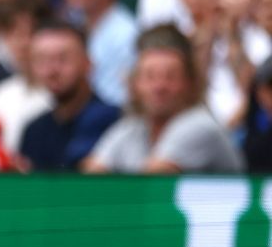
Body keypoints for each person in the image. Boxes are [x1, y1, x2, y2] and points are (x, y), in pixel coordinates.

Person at [82, 26, 245, 174]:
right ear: (135, 85)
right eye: (150, 77)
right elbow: (92, 175)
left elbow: (153, 181)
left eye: (171, 77)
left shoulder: (200, 125)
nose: (159, 87)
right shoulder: (132, 127)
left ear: (191, 84)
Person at [18, 22, 121, 172]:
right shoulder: (34, 131)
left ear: (88, 63)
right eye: (42, 60)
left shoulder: (115, 122)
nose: (52, 71)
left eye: (63, 59)